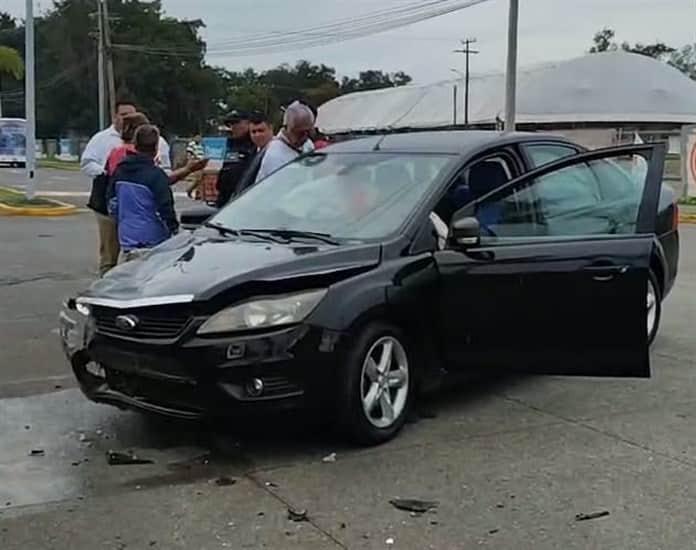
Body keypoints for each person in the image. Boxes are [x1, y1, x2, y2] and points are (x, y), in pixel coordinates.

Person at [81, 99, 172, 276]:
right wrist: (106, 174)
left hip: (140, 208)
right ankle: (106, 286)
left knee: (135, 255)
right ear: (115, 116)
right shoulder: (102, 140)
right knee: (110, 253)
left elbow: (165, 169)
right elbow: (87, 163)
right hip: (108, 205)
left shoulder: (156, 139)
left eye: (132, 116)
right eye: (124, 115)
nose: (127, 120)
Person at [109, 125, 178, 263]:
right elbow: (165, 209)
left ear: (135, 144)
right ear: (156, 147)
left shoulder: (120, 171)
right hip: (153, 242)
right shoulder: (156, 176)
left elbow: (112, 204)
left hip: (127, 241)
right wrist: (174, 230)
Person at [255, 101, 315, 184]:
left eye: (308, 132)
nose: (305, 137)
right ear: (286, 128)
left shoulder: (308, 145)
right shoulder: (275, 155)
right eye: (299, 133)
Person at [215, 110, 255, 208]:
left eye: (236, 123)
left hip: (248, 199)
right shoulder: (231, 146)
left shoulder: (255, 145)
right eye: (231, 124)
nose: (233, 127)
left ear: (248, 123)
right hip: (226, 201)